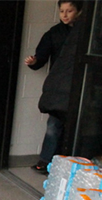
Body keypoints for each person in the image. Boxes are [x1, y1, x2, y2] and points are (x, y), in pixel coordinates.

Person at [24, 0, 83, 173]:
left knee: (76, 125)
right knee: (54, 124)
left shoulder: (86, 32)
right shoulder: (54, 33)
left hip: (80, 84)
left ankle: (73, 161)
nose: (64, 15)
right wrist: (34, 61)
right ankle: (46, 160)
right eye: (62, 11)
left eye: (69, 11)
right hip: (60, 87)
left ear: (78, 11)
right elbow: (41, 57)